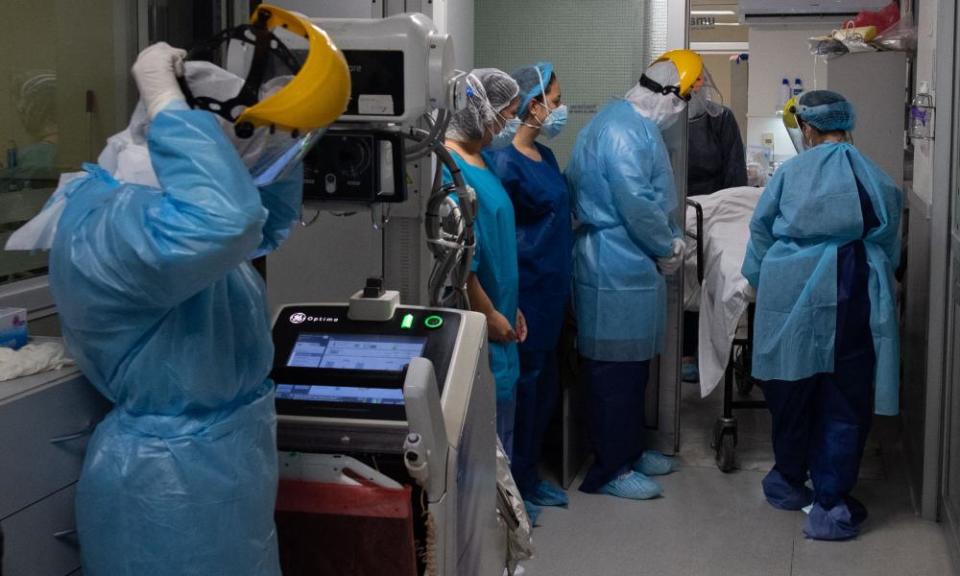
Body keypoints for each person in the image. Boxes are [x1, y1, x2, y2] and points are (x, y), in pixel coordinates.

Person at [5, 6, 350, 575]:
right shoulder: (108, 224)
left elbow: (263, 222)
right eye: (246, 142)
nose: (258, 157)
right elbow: (227, 220)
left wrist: (285, 129)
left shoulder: (173, 217)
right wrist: (169, 101)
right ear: (191, 145)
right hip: (163, 489)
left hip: (227, 467)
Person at [742, 90, 901, 541]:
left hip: (789, 288)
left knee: (790, 387)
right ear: (846, 125)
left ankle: (788, 481)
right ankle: (830, 501)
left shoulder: (790, 174)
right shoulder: (875, 177)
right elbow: (889, 245)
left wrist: (755, 279)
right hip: (854, 289)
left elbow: (761, 232)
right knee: (844, 397)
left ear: (807, 129)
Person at [566, 50, 701, 500]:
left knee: (632, 372)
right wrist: (667, 245)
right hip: (613, 265)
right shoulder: (623, 130)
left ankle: (630, 449)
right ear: (667, 95)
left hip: (627, 262)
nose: (683, 110)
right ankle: (609, 469)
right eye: (683, 99)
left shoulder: (630, 123)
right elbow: (636, 202)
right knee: (612, 377)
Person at [486, 62, 573, 516]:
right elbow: (496, 235)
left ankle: (531, 478)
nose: (559, 110)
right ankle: (512, 489)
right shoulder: (503, 162)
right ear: (531, 104)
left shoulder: (548, 156)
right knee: (523, 389)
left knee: (545, 385)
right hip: (525, 290)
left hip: (552, 287)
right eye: (555, 102)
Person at [442, 69, 525, 459]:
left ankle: (507, 519)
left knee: (504, 436)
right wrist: (489, 312)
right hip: (479, 319)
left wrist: (511, 305)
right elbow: (460, 259)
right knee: (482, 451)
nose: (509, 123)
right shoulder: (449, 167)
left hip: (501, 314)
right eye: (506, 113)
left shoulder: (480, 159)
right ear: (480, 108)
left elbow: (498, 243)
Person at [682, 73, 747, 383]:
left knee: (706, 287)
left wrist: (731, 224)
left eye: (699, 81)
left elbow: (736, 177)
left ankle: (701, 354)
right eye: (689, 83)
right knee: (679, 287)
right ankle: (677, 353)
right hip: (673, 217)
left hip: (714, 216)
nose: (696, 88)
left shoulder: (721, 120)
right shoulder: (664, 122)